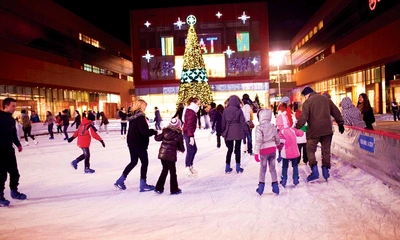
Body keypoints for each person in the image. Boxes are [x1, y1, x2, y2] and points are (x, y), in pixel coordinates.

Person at [295, 86, 344, 182]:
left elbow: (304, 117)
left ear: (307, 95)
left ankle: (314, 170)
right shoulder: (326, 99)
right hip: (327, 130)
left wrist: (297, 127)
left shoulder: (308, 102)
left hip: (313, 131)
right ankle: (325, 170)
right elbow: (336, 111)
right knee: (326, 150)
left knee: (310, 150)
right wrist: (340, 123)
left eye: (305, 96)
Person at [114, 99, 158, 191]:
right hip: (139, 142)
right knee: (144, 162)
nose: (145, 108)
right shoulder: (140, 117)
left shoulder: (133, 116)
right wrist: (154, 131)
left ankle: (120, 180)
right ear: (141, 106)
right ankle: (143, 184)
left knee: (133, 161)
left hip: (131, 142)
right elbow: (144, 132)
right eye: (145, 106)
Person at [0, 98, 26, 207]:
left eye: (15, 106)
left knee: (14, 172)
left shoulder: (11, 119)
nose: (15, 108)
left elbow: (13, 134)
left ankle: (14, 192)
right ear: (6, 106)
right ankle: (0, 196)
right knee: (1, 174)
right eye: (13, 106)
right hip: (0, 150)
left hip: (9, 149)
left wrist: (18, 144)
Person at [154, 118, 185, 195]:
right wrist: (181, 149)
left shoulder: (165, 131)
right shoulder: (178, 134)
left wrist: (156, 134)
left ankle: (159, 187)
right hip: (170, 156)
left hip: (162, 154)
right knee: (172, 172)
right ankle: (174, 189)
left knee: (164, 170)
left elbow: (157, 138)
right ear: (179, 125)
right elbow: (181, 147)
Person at [253, 109, 281, 196]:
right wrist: (278, 144)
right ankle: (275, 187)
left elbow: (259, 140)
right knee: (273, 169)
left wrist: (256, 152)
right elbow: (277, 137)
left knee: (263, 169)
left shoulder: (259, 127)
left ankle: (261, 188)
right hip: (272, 149)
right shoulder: (272, 126)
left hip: (264, 151)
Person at [221, 95, 249, 174]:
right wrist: (247, 132)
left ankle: (227, 167)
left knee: (229, 150)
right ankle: (237, 167)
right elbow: (243, 122)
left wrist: (223, 131)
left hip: (228, 131)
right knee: (237, 149)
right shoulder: (239, 110)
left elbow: (223, 122)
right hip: (238, 132)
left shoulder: (225, 110)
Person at [276, 114, 305, 188]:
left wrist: (278, 147)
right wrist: (302, 131)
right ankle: (295, 178)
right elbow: (300, 133)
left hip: (286, 153)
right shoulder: (292, 129)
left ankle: (284, 179)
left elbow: (281, 142)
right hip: (294, 152)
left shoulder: (281, 132)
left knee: (285, 166)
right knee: (295, 166)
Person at [183, 97, 201, 176]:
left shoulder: (192, 110)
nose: (199, 104)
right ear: (195, 103)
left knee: (194, 149)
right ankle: (187, 167)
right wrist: (191, 136)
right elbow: (189, 124)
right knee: (190, 150)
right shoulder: (190, 111)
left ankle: (190, 165)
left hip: (189, 132)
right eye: (198, 103)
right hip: (188, 132)